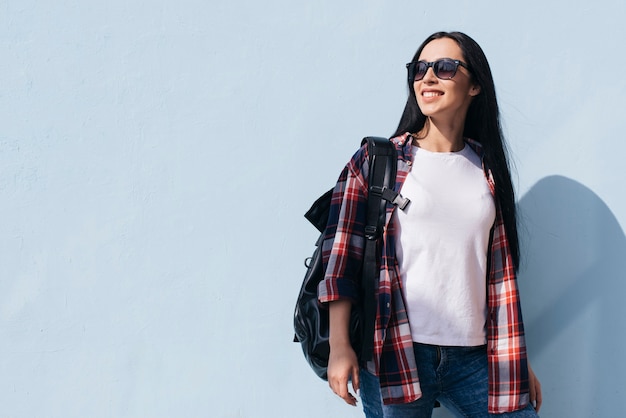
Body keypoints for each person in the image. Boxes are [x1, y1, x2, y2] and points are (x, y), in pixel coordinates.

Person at [317, 31, 542, 417]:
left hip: (476, 357)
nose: (428, 77)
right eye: (420, 68)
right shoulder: (378, 161)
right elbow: (340, 259)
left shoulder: (486, 167)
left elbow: (496, 274)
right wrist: (340, 347)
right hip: (397, 350)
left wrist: (515, 361)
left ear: (475, 86)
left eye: (445, 67)